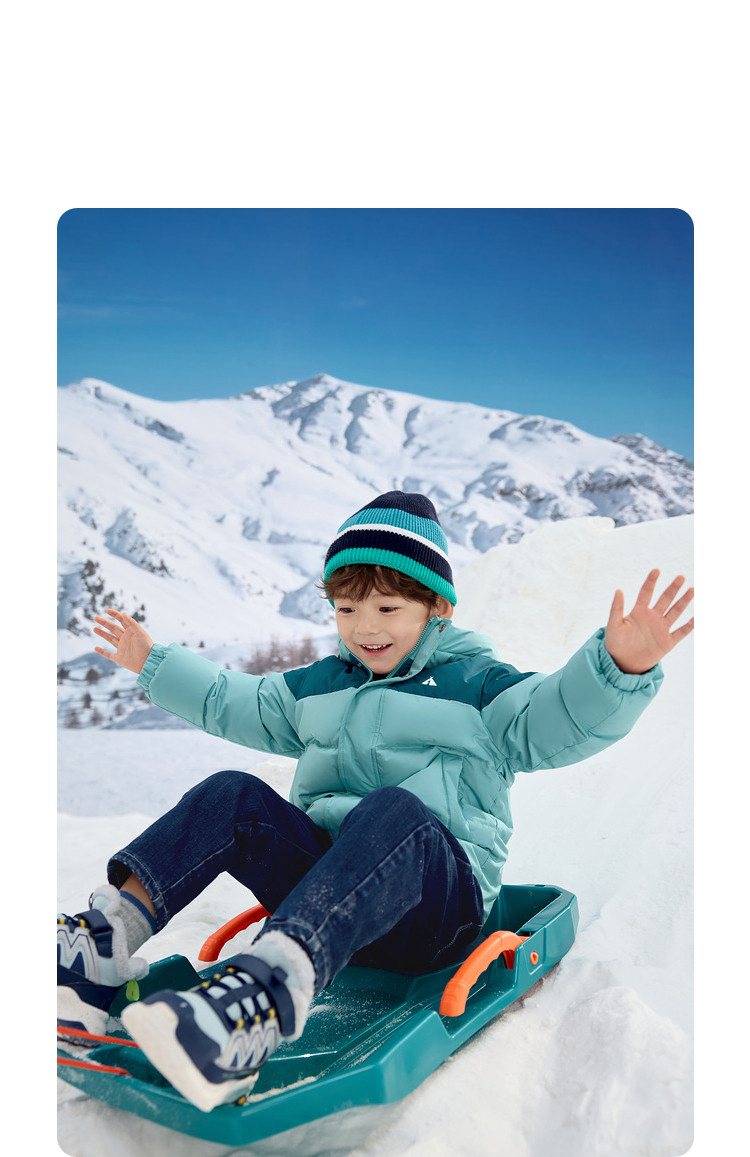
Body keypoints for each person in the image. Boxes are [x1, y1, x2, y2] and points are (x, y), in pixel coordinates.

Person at [57, 491, 694, 1113]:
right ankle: (102, 947)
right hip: (324, 897)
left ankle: (263, 1000)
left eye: (388, 607)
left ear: (438, 606)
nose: (366, 627)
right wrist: (154, 663)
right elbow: (234, 700)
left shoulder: (480, 688)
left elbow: (551, 716)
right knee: (232, 794)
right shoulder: (319, 686)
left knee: (395, 811)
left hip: (432, 912)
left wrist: (617, 668)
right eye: (347, 608)